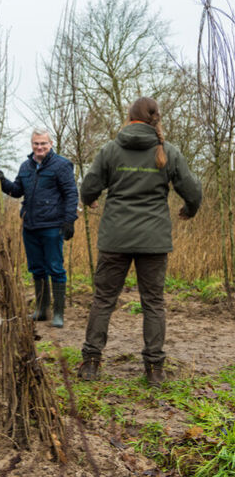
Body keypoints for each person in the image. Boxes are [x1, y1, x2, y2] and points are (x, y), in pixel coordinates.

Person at [78, 97, 202, 386]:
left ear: (129, 117)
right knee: (154, 303)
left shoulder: (110, 150)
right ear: (155, 119)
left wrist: (90, 200)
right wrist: (189, 209)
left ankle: (91, 363)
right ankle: (155, 370)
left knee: (103, 299)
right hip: (153, 240)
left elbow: (89, 186)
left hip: (115, 239)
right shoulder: (168, 151)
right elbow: (193, 189)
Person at [0, 128, 78, 327]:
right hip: (30, 225)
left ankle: (58, 313)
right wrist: (3, 181)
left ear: (50, 145)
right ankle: (41, 309)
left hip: (52, 225)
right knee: (37, 268)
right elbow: (17, 191)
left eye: (43, 144)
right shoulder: (25, 166)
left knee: (55, 268)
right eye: (36, 144)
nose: (39, 147)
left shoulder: (62, 165)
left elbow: (71, 194)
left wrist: (69, 220)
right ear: (32, 145)